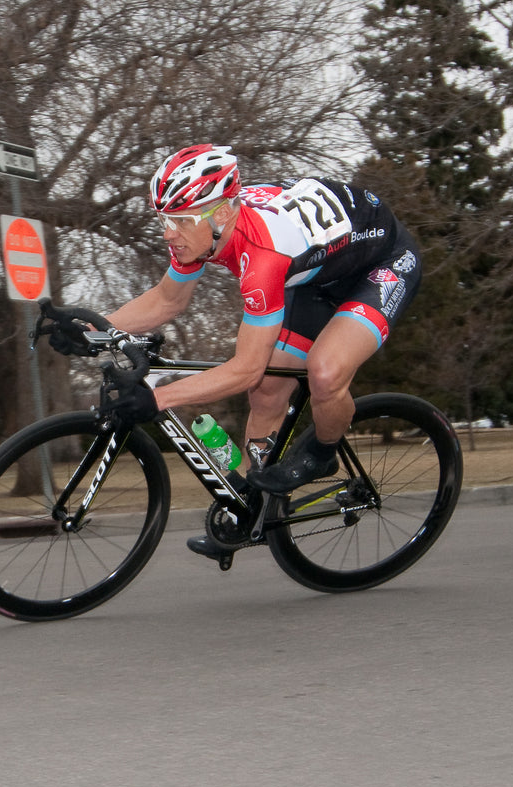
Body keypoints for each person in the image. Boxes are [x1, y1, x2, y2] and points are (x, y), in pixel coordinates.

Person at [104, 143, 422, 558]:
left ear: (220, 213)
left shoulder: (263, 254)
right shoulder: (203, 232)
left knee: (325, 371)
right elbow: (168, 301)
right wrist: (92, 325)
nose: (169, 232)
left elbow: (244, 368)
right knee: (269, 389)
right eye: (165, 219)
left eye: (179, 220)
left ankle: (324, 454)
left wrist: (158, 398)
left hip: (383, 264)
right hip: (317, 275)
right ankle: (247, 510)